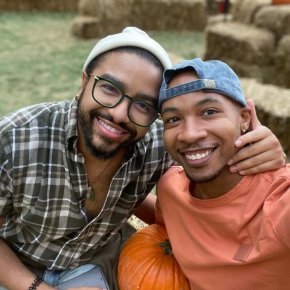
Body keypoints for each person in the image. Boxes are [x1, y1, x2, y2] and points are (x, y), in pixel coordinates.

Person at [0, 26, 285, 290]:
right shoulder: (15, 138)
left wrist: (274, 156)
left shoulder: (159, 150)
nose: (120, 114)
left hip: (86, 265)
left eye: (143, 105)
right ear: (84, 82)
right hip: (15, 264)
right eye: (110, 88)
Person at [155, 58, 290, 289]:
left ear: (245, 119)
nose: (189, 134)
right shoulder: (170, 188)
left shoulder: (279, 199)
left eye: (208, 112)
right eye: (173, 119)